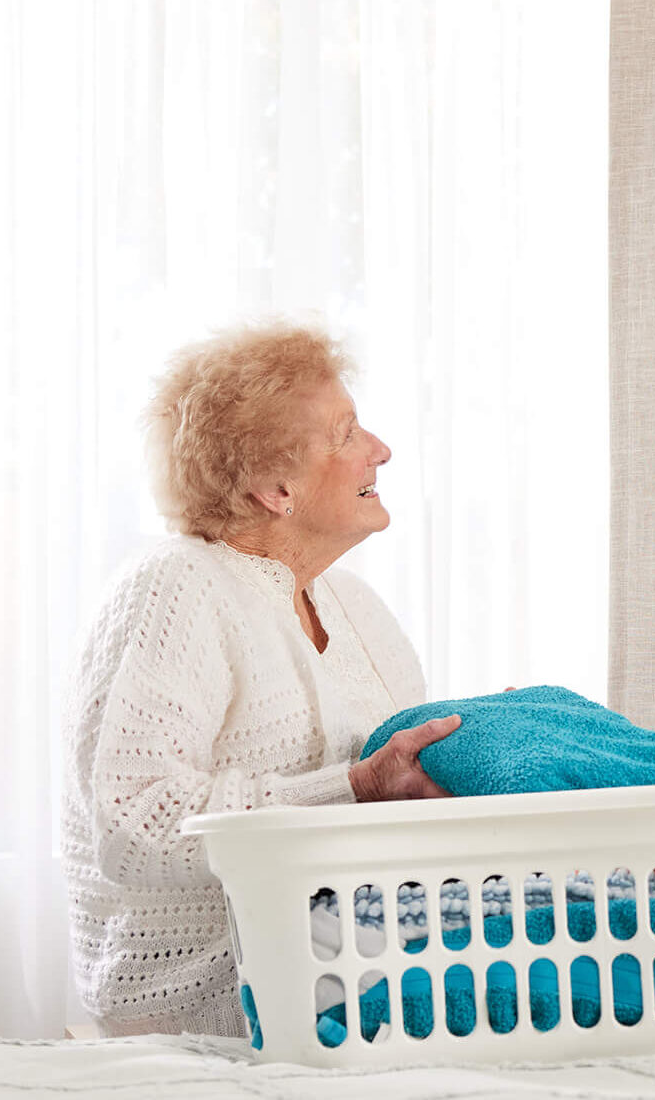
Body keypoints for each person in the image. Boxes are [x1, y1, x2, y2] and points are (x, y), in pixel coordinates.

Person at [60, 323, 458, 1037]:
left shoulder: (357, 607)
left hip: (353, 931)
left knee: (613, 896)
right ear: (278, 488)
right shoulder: (175, 587)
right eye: (346, 433)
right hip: (215, 977)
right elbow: (132, 826)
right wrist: (354, 787)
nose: (381, 450)